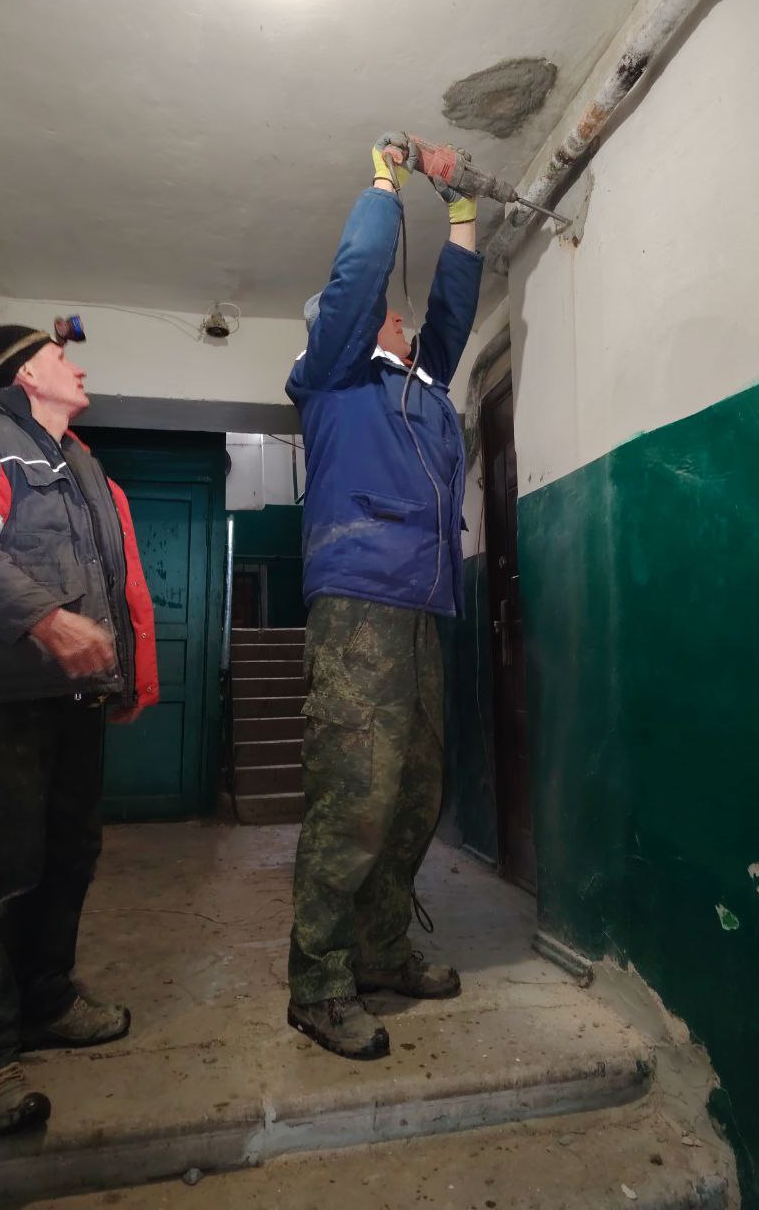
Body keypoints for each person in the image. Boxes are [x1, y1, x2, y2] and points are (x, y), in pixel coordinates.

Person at [284, 134, 483, 1060]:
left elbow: (453, 310)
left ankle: (380, 948)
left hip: (424, 606)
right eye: (385, 315)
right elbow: (361, 272)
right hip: (359, 599)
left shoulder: (420, 388)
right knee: (355, 797)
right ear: (356, 326)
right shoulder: (331, 377)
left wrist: (462, 207)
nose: (400, 319)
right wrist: (383, 183)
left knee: (412, 794)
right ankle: (318, 984)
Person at [0, 324, 158, 1136]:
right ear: (28, 373)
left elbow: (112, 577)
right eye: (63, 357)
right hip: (8, 696)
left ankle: (46, 1000)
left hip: (76, 697)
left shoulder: (83, 463)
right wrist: (44, 619)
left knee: (70, 857)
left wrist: (124, 673)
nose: (79, 367)